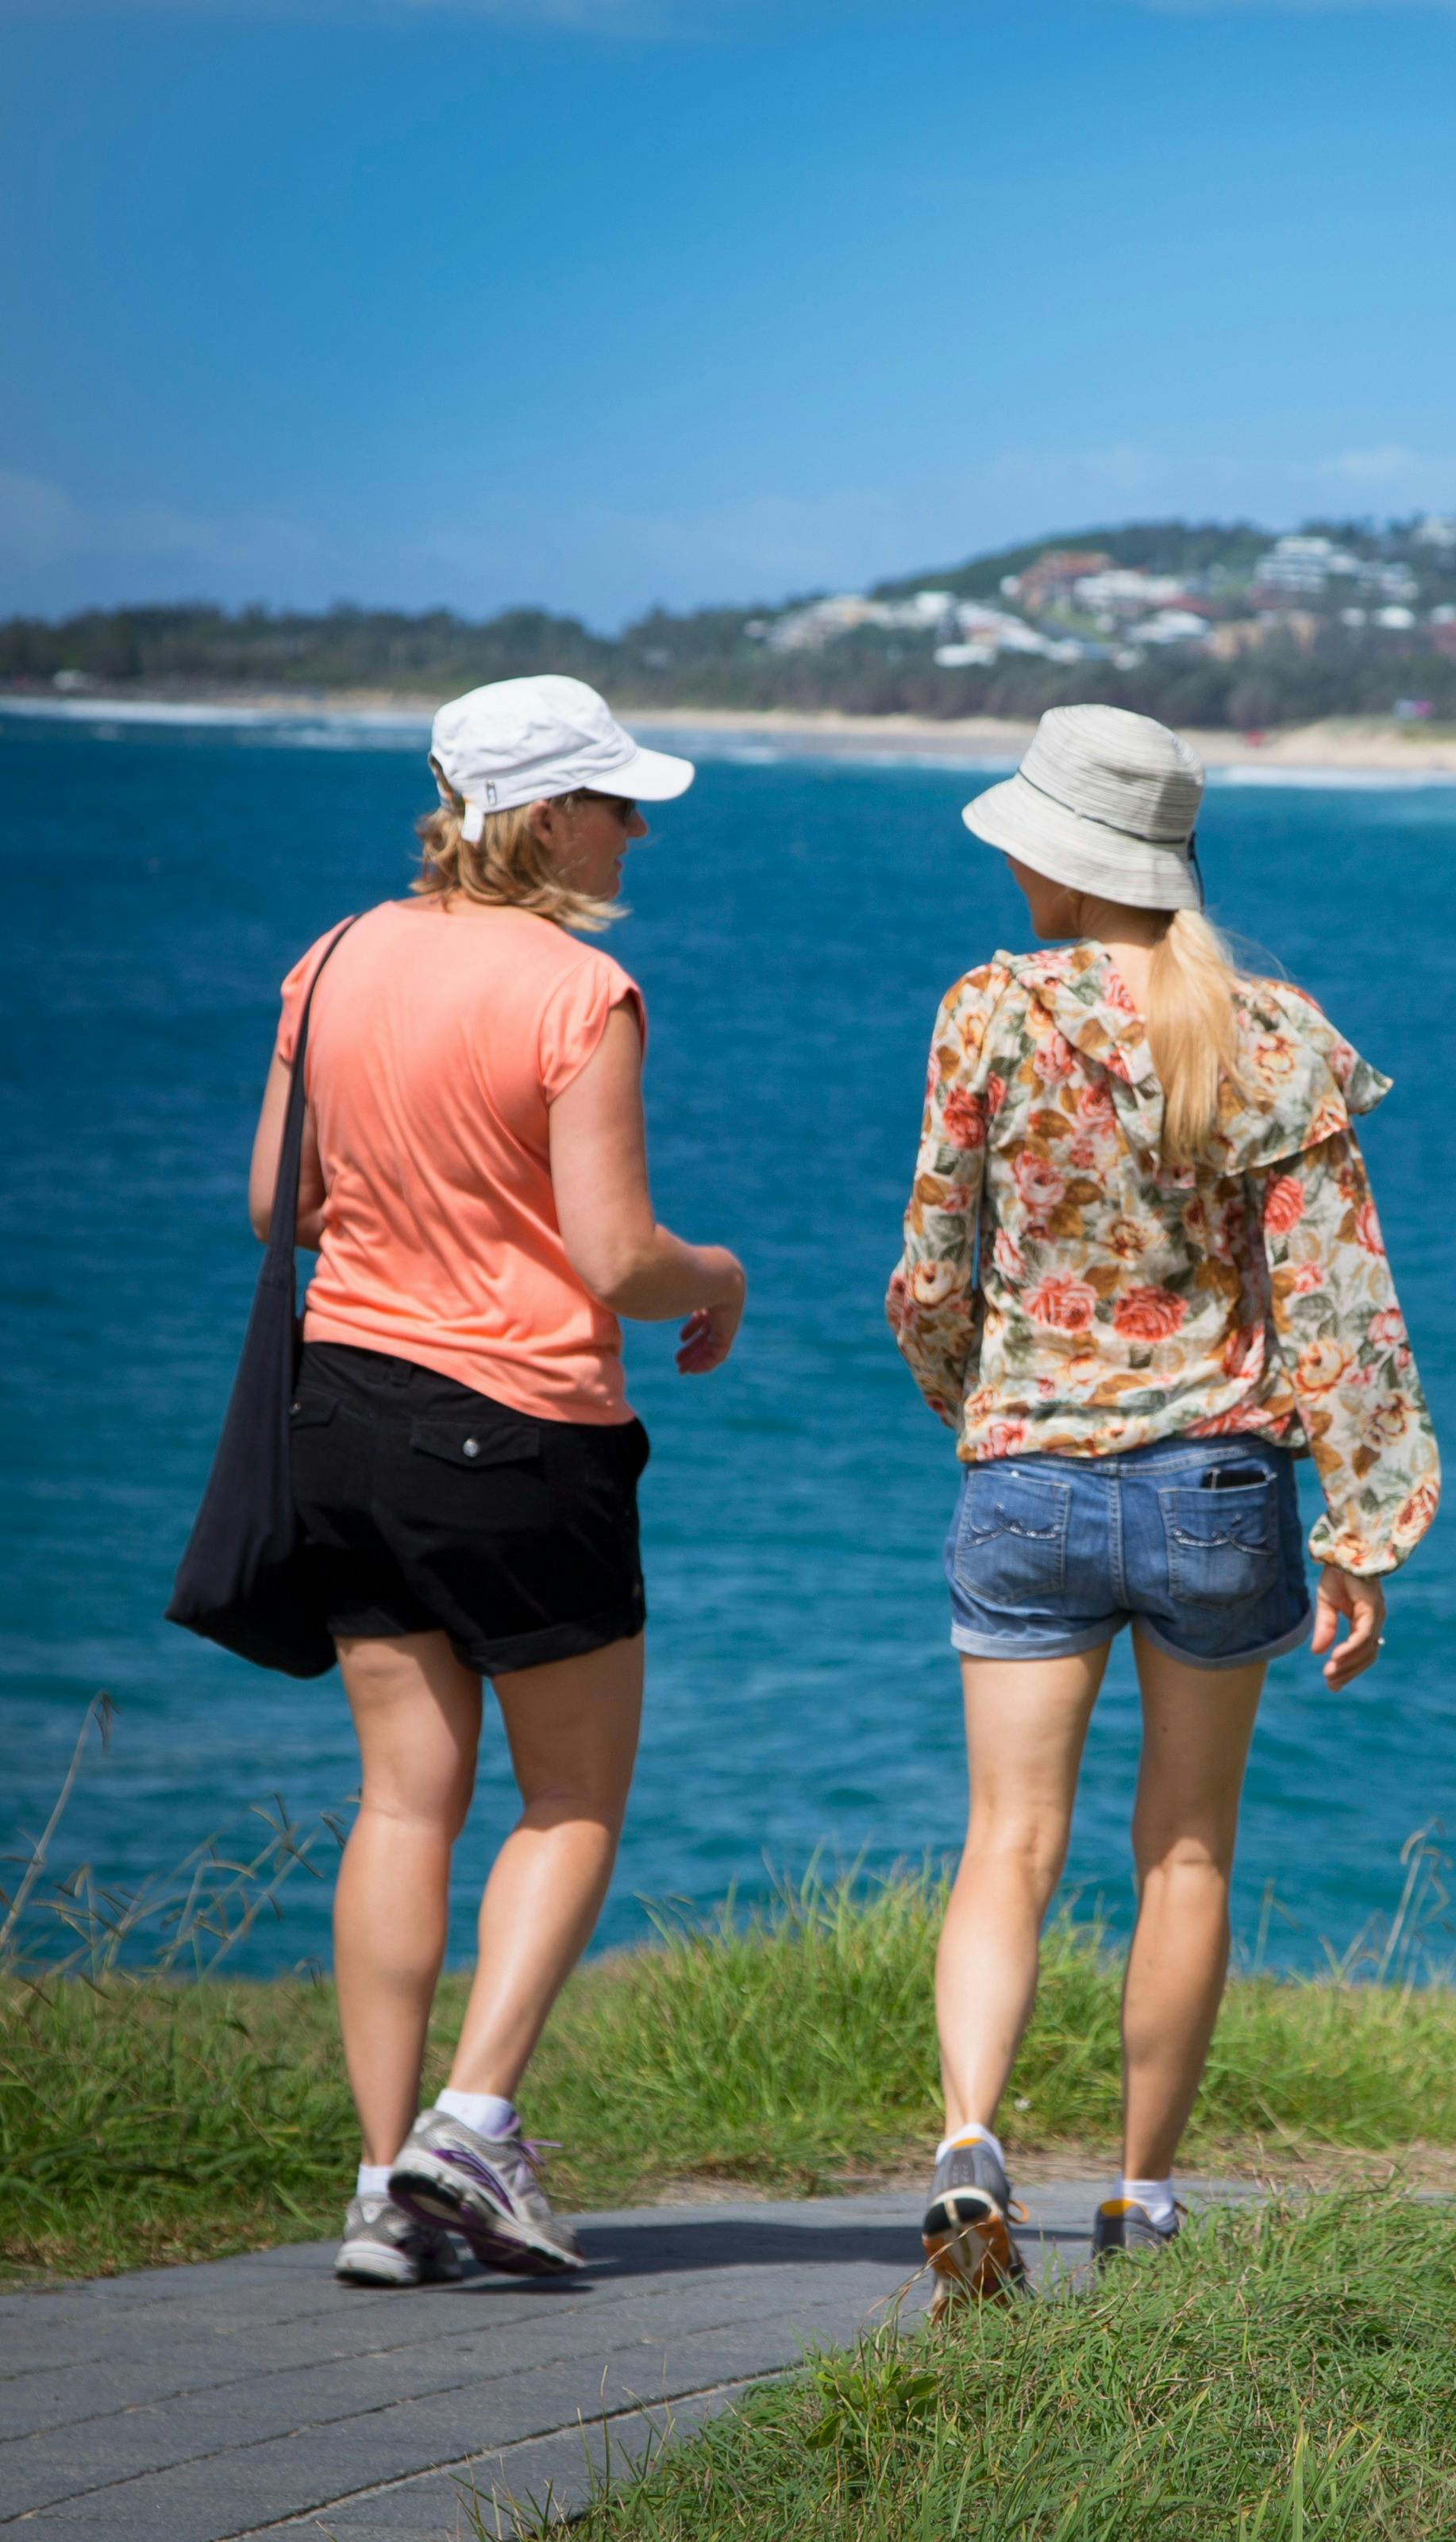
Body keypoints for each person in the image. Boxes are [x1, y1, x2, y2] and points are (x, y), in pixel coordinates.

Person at [886, 704, 1438, 2301]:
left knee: (1008, 1842)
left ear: (1057, 855)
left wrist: (983, 1406)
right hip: (1219, 1482)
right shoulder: (1268, 1030)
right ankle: (1137, 2201)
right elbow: (1340, 1299)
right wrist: (1363, 1523)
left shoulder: (986, 1009)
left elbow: (934, 1261)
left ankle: (971, 2143)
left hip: (1028, 1477)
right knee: (1182, 1851)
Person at [253, 676, 747, 2286]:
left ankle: (387, 2181)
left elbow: (278, 1198)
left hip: (342, 1415)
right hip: (521, 1433)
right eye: (614, 798)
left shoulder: (329, 961)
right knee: (573, 1795)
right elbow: (616, 1256)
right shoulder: (580, 990)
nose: (637, 825)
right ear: (545, 820)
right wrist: (718, 1272)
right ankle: (473, 2120)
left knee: (405, 1795)